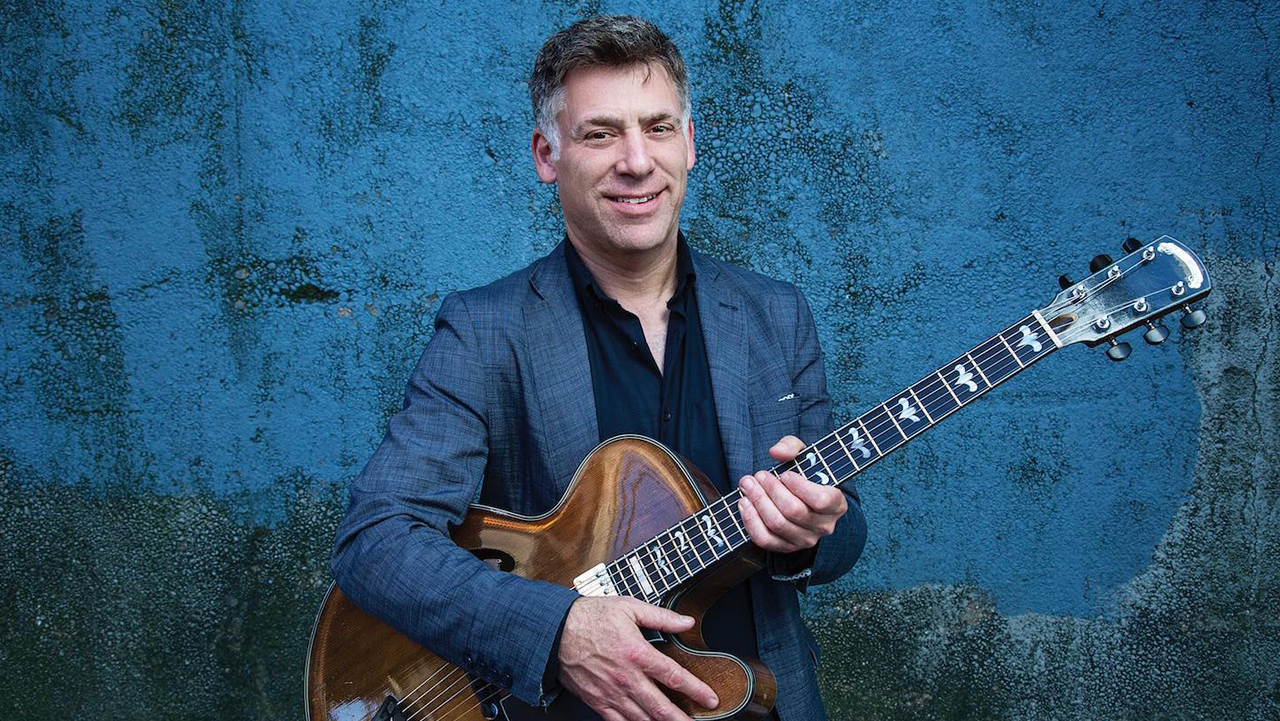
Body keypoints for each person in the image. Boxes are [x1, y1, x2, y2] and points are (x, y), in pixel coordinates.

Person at [331, 15, 867, 721]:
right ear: (546, 154)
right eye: (600, 134)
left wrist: (812, 534)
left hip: (756, 702)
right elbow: (375, 539)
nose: (637, 161)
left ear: (690, 143)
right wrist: (556, 631)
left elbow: (843, 529)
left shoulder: (777, 314)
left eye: (658, 127)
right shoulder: (485, 330)